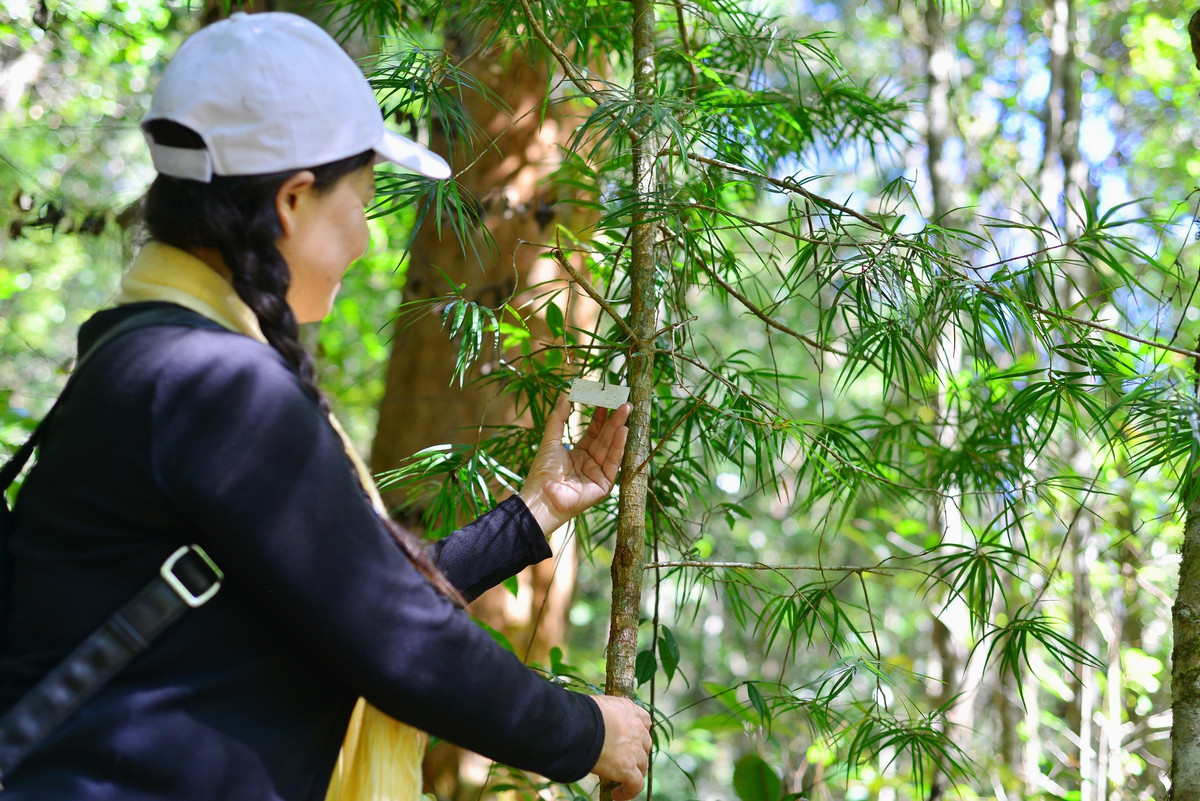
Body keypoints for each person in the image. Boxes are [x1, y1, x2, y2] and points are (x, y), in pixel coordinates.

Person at [0, 11, 651, 801]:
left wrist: (537, 509)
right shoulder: (214, 384)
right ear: (295, 200)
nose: (367, 239)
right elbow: (400, 640)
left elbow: (352, 596)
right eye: (364, 198)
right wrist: (589, 732)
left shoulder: (151, 353)